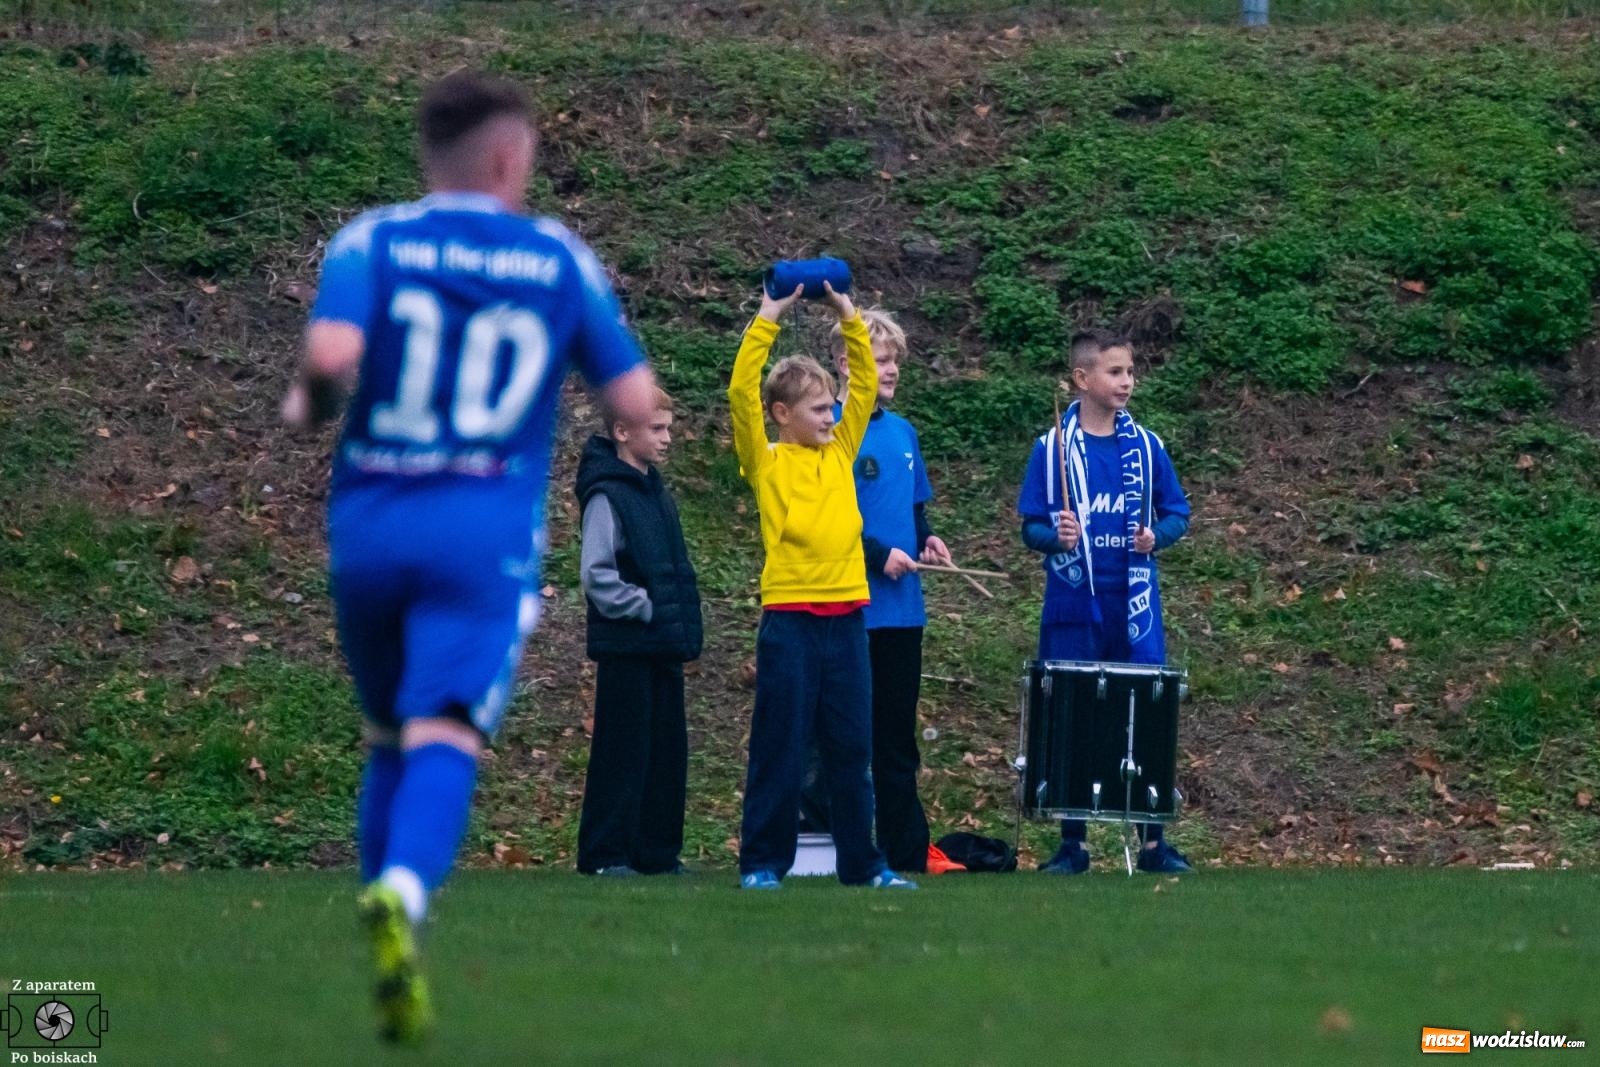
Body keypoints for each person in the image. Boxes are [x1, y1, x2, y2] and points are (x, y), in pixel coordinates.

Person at [280, 70, 658, 1044]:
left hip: (369, 529)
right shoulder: (555, 256)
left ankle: (385, 940)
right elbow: (633, 399)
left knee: (385, 733)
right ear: (504, 157)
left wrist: (309, 403)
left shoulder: (372, 240)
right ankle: (403, 893)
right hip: (478, 538)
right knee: (445, 727)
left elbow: (328, 360)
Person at [727, 278, 916, 891]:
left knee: (851, 749)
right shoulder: (766, 461)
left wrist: (845, 310)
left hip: (847, 620)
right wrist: (769, 314)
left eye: (832, 407)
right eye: (817, 410)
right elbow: (740, 392)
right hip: (790, 622)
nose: (831, 417)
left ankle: (863, 865)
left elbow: (862, 383)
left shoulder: (840, 450)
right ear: (782, 415)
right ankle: (762, 863)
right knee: (780, 746)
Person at [1015, 328, 1193, 875]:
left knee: (1145, 713)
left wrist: (1156, 536)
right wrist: (1056, 537)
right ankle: (1074, 844)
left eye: (1130, 372)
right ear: (1082, 378)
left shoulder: (1146, 446)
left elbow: (1177, 513)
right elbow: (1030, 527)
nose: (1127, 381)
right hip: (1074, 603)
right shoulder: (1051, 448)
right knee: (1073, 713)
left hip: (1134, 605)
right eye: (1115, 372)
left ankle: (1154, 842)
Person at [825, 309, 962, 876]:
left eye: (895, 360)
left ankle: (906, 852)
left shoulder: (904, 432)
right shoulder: (829, 428)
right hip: (851, 609)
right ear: (845, 362)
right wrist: (878, 555)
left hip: (904, 613)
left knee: (898, 740)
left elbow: (913, 509)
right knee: (846, 738)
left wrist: (927, 539)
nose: (892, 369)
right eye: (881, 359)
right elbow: (827, 517)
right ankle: (843, 847)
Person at [574, 388, 702, 878]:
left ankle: (657, 852)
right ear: (623, 432)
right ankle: (606, 854)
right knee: (622, 750)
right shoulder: (607, 495)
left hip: (662, 643)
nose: (668, 438)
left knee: (666, 751)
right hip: (627, 644)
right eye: (657, 429)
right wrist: (644, 608)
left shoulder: (655, 491)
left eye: (668, 428)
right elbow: (597, 573)